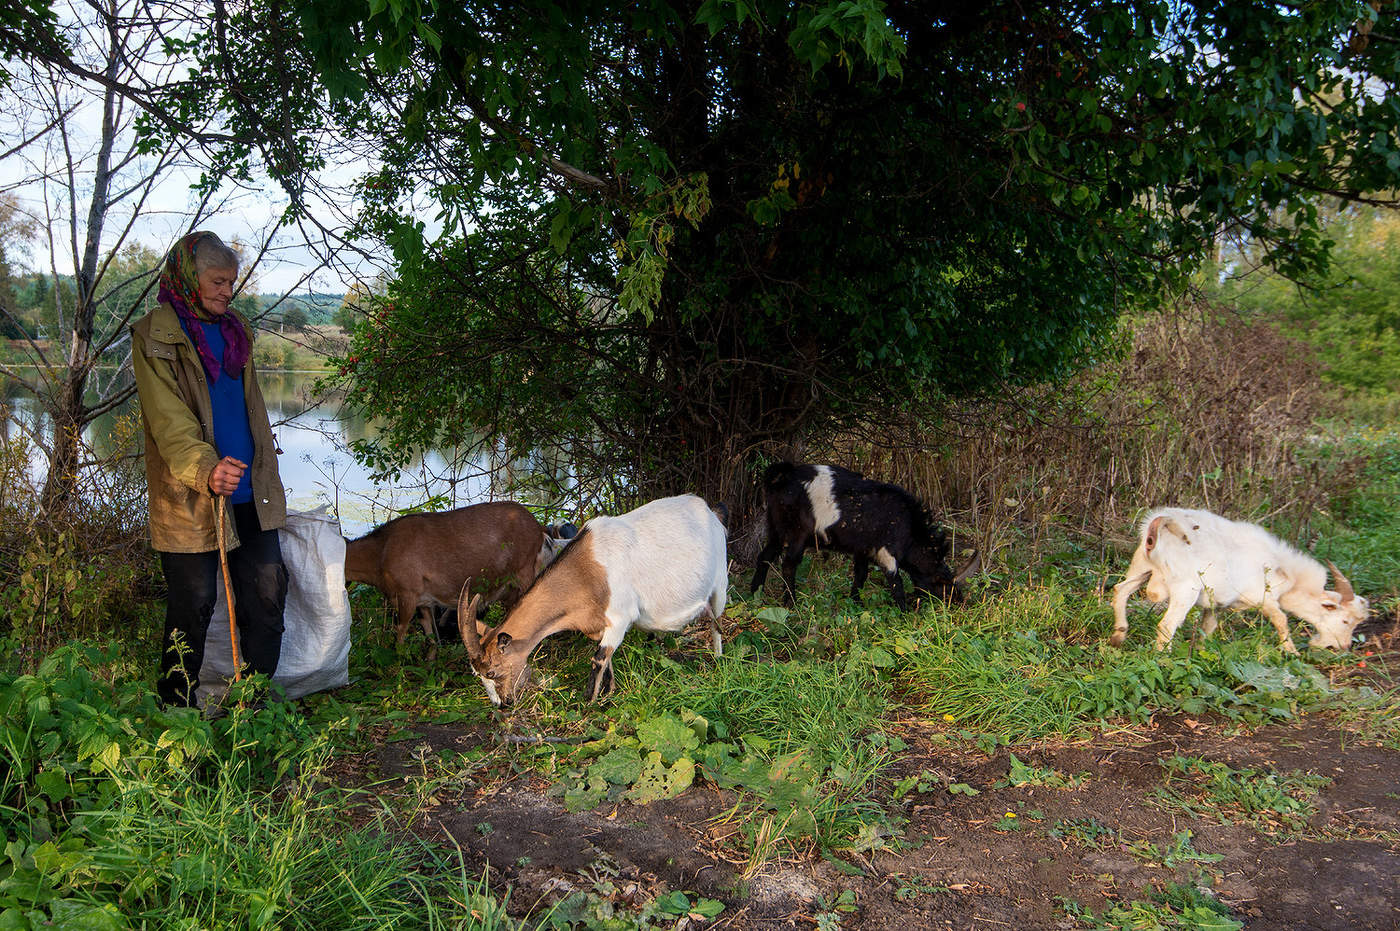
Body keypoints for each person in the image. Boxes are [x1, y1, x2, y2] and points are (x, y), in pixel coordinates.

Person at [131, 231, 287, 708]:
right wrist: (206, 470)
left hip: (251, 491)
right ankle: (175, 714)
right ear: (186, 279)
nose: (227, 291)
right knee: (192, 609)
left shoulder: (237, 329)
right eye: (218, 282)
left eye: (232, 282)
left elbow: (248, 408)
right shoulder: (153, 333)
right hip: (191, 495)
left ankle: (253, 709)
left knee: (267, 598)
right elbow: (169, 422)